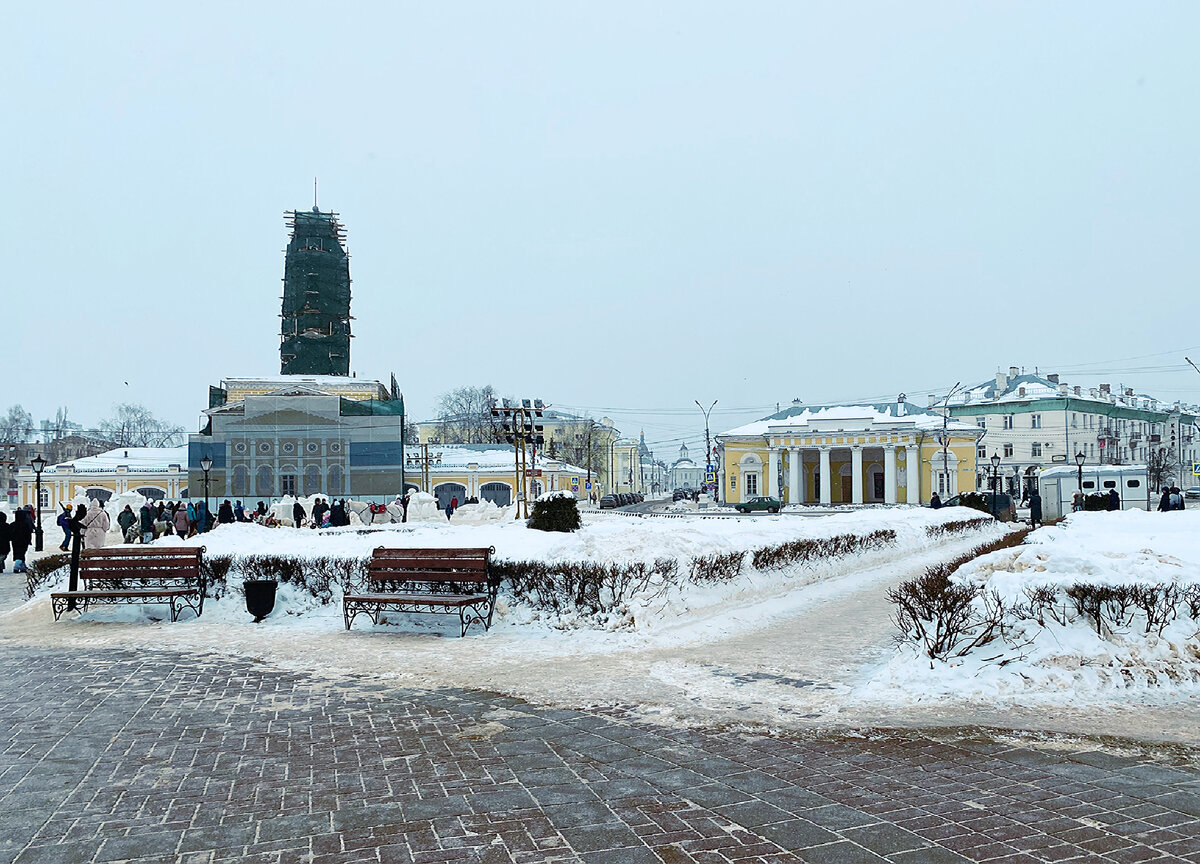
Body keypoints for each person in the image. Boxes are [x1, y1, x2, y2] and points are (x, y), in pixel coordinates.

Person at [10, 508, 33, 573]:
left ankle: (23, 566)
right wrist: (29, 540)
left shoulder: (13, 524)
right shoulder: (25, 525)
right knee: (22, 553)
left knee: (18, 553)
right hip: (24, 541)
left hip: (15, 541)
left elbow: (10, 533)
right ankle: (16, 567)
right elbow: (28, 533)